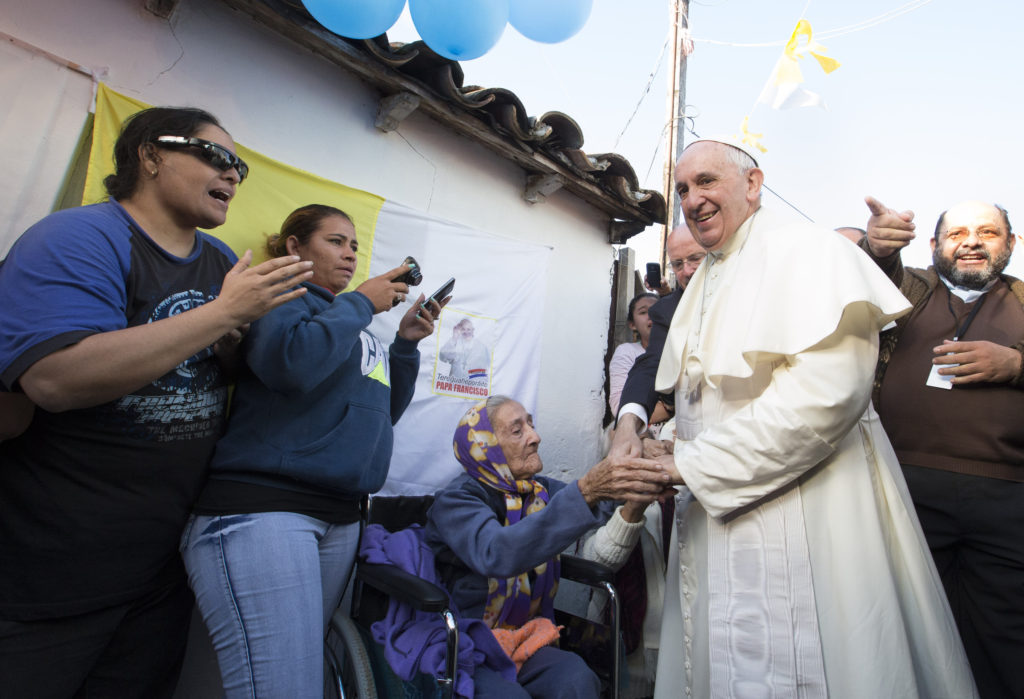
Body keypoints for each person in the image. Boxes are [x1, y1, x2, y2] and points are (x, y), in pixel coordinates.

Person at [611, 137, 977, 698]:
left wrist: (688, 461)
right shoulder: (707, 274)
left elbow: (824, 398)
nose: (692, 199)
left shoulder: (809, 251)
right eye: (683, 189)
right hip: (716, 506)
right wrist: (659, 440)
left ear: (753, 184)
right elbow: (702, 390)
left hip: (810, 505)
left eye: (707, 181)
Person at [0, 106, 312, 697]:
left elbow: (223, 373)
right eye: (217, 157)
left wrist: (230, 346)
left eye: (239, 165)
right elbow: (55, 380)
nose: (234, 175)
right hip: (50, 573)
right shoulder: (76, 239)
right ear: (150, 155)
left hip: (160, 571)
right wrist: (220, 313)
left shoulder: (223, 263)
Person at [180, 204, 442, 698]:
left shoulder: (353, 326)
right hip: (268, 509)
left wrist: (404, 345)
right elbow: (290, 365)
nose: (350, 254)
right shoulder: (282, 297)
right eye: (336, 242)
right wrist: (362, 303)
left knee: (297, 679)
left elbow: (382, 413)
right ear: (296, 248)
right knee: (285, 687)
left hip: (337, 517)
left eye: (355, 246)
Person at [861, 196, 1024, 698]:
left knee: (1004, 637)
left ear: (1011, 244)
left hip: (1007, 498)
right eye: (956, 234)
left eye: (987, 233)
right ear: (933, 245)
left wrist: (1015, 366)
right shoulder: (913, 289)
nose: (971, 242)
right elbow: (871, 286)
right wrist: (877, 247)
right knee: (908, 629)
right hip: (905, 490)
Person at [424, 396, 672, 698]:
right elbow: (497, 552)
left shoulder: (537, 492)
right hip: (467, 642)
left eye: (531, 424)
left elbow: (601, 502)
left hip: (525, 637)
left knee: (577, 680)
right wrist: (587, 491)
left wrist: (643, 466)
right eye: (518, 431)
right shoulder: (455, 501)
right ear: (484, 446)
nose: (535, 436)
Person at [616, 225, 704, 437]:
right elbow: (651, 365)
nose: (687, 271)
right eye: (678, 264)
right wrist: (628, 423)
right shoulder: (666, 311)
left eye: (695, 259)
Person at [608, 292, 658, 416]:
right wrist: (669, 408)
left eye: (657, 310)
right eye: (643, 312)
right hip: (639, 430)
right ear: (632, 325)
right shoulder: (628, 352)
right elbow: (619, 408)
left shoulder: (683, 351)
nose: (651, 315)